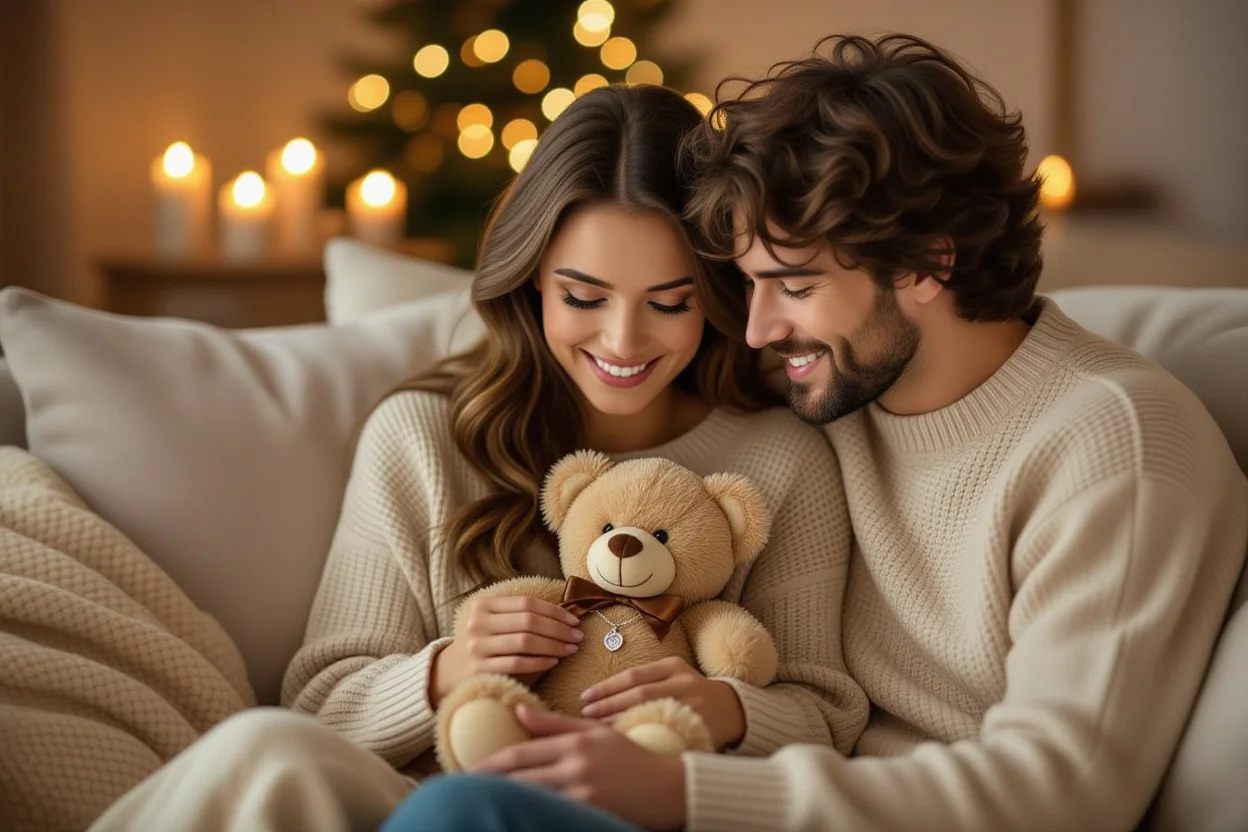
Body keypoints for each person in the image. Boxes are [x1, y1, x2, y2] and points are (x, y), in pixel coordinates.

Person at [385, 33, 1248, 832]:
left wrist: (688, 788)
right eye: (746, 283)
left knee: (460, 818)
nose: (754, 330)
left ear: (927, 264)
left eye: (791, 286)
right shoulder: (837, 392)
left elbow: (1065, 791)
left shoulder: (1112, 446)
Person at [89, 83, 868, 831]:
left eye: (671, 302)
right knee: (264, 751)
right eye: (584, 297)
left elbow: (828, 712)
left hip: (650, 812)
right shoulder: (422, 439)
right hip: (434, 809)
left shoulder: (780, 461)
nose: (623, 343)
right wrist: (444, 672)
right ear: (531, 283)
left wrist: (730, 711)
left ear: (722, 292)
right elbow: (320, 703)